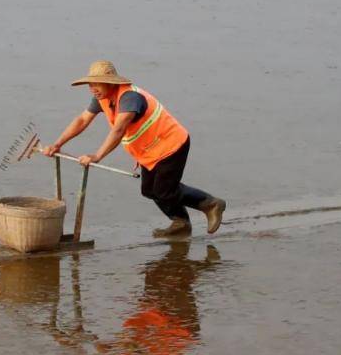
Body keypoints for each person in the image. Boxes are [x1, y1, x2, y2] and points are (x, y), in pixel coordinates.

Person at [43, 60, 226, 237]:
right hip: (149, 151)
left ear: (111, 83)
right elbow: (82, 120)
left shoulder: (130, 98)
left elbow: (119, 129)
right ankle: (181, 222)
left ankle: (210, 204)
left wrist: (97, 156)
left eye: (97, 84)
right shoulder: (102, 98)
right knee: (149, 190)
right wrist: (58, 144)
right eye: (90, 85)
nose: (93, 89)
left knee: (164, 191)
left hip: (172, 145)